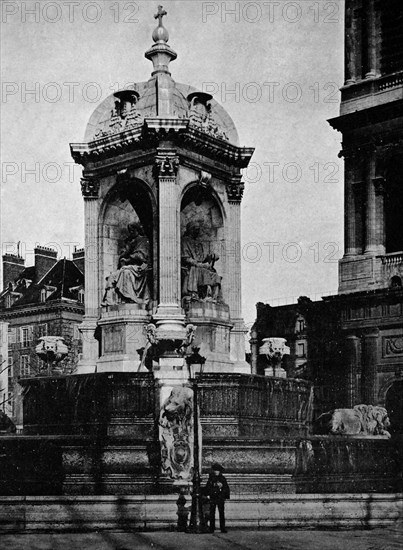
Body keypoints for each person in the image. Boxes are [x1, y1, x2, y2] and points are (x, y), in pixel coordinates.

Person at [102, 222, 151, 306]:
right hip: (129, 267)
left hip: (139, 267)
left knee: (126, 272)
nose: (131, 233)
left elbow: (141, 256)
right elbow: (123, 254)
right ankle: (108, 301)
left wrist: (128, 259)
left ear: (137, 230)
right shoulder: (130, 242)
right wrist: (125, 253)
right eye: (130, 231)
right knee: (112, 276)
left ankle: (130, 297)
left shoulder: (143, 240)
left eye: (132, 231)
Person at [181, 221, 222, 302]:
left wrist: (212, 256)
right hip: (191, 266)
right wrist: (198, 264)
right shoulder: (184, 241)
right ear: (190, 230)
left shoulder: (199, 243)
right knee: (197, 270)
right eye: (195, 229)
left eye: (198, 230)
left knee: (215, 275)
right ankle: (193, 293)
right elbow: (185, 258)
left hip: (201, 266)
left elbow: (204, 257)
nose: (197, 232)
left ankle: (212, 297)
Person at [205, 462, 230, 533]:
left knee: (221, 513)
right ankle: (211, 528)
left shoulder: (222, 478)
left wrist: (222, 487)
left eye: (217, 470)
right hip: (213, 497)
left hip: (220, 497)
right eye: (215, 470)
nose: (216, 472)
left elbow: (226, 488)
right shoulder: (211, 479)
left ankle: (222, 528)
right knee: (212, 513)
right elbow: (208, 487)